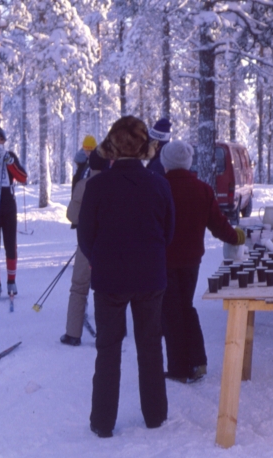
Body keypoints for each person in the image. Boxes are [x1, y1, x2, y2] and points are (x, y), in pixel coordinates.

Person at [77, 116, 175, 438]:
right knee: (150, 346)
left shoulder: (97, 186)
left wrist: (101, 260)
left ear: (111, 147)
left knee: (108, 348)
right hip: (150, 278)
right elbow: (168, 232)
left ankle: (102, 422)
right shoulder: (159, 184)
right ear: (145, 148)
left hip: (110, 280)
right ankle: (155, 416)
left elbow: (85, 238)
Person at [159, 140, 246, 383]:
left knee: (170, 313)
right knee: (186, 307)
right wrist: (236, 235)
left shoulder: (160, 188)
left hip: (163, 261)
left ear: (166, 162)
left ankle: (178, 367)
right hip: (191, 261)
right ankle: (198, 362)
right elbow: (219, 225)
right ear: (188, 162)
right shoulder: (203, 189)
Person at [61, 148, 109, 347]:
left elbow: (72, 216)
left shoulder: (83, 185)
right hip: (109, 245)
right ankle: (108, 333)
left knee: (79, 288)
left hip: (86, 243)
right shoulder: (113, 185)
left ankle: (73, 334)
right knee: (107, 290)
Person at [0, 126, 28, 299]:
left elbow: (23, 178)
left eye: (2, 140)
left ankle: (11, 280)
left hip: (8, 203)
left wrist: (9, 162)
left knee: (11, 243)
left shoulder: (10, 155)